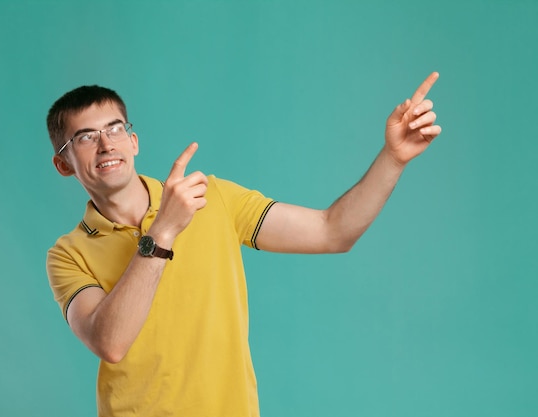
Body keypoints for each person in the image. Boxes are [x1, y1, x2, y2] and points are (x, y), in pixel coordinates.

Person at [46, 72, 441, 417]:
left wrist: (393, 158)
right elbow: (110, 343)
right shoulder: (68, 254)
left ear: (133, 141)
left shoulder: (212, 197)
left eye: (115, 129)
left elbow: (332, 231)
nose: (105, 144)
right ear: (64, 164)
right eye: (85, 137)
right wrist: (162, 232)